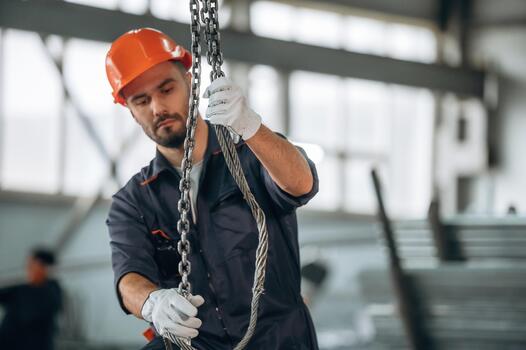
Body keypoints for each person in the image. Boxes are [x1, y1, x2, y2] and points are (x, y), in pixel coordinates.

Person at [105, 28, 319, 350]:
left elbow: (301, 183)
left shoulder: (250, 156)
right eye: (142, 100)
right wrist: (153, 302)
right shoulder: (133, 201)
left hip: (279, 340)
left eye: (166, 89)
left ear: (190, 82)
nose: (158, 108)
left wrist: (251, 127)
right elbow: (129, 279)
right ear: (130, 110)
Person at [0, 248, 63, 350]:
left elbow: (30, 314)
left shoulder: (51, 290)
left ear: (43, 267)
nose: (28, 267)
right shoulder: (20, 285)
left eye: (32, 264)